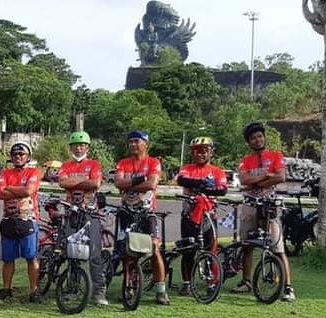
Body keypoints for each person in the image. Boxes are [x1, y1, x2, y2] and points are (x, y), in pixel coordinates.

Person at [235, 122, 294, 302]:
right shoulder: (246, 160)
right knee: (246, 245)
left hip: (270, 207)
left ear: (264, 137)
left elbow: (281, 176)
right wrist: (267, 177)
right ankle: (246, 281)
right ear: (248, 142)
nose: (257, 140)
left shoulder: (276, 155)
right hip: (250, 206)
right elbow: (244, 180)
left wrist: (256, 182)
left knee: (277, 247)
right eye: (253, 138)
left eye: (260, 136)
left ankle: (288, 288)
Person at [114, 131, 169, 305]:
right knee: (126, 251)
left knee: (154, 249)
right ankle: (128, 286)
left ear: (146, 144)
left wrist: (129, 185)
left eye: (136, 141)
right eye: (130, 141)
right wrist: (139, 182)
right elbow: (118, 183)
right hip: (126, 212)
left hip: (147, 213)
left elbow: (151, 184)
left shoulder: (153, 162)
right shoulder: (123, 163)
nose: (132, 144)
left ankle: (161, 291)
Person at [58, 131, 108, 306]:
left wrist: (73, 182)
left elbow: (95, 183)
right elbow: (62, 182)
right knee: (71, 252)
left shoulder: (94, 164)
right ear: (71, 147)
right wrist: (84, 181)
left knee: (94, 254)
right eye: (75, 145)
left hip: (90, 213)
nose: (78, 148)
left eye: (82, 145)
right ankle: (73, 287)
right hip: (71, 213)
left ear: (87, 147)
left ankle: (99, 291)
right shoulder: (66, 165)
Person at [176, 136, 228, 295]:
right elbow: (182, 180)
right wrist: (202, 184)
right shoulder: (187, 168)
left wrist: (200, 187)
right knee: (188, 250)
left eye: (204, 151)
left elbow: (222, 190)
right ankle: (186, 283)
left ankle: (211, 283)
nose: (200, 154)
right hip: (189, 215)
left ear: (211, 152)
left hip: (208, 216)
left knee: (210, 250)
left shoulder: (217, 171)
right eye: (196, 151)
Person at [0, 141, 42, 302]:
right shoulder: (5, 173)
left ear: (28, 156)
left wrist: (9, 188)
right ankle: (6, 288)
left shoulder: (34, 171)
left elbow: (29, 191)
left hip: (28, 220)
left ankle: (34, 290)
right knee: (8, 258)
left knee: (31, 257)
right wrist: (19, 191)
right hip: (8, 220)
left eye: (21, 154)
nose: (18, 157)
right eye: (14, 154)